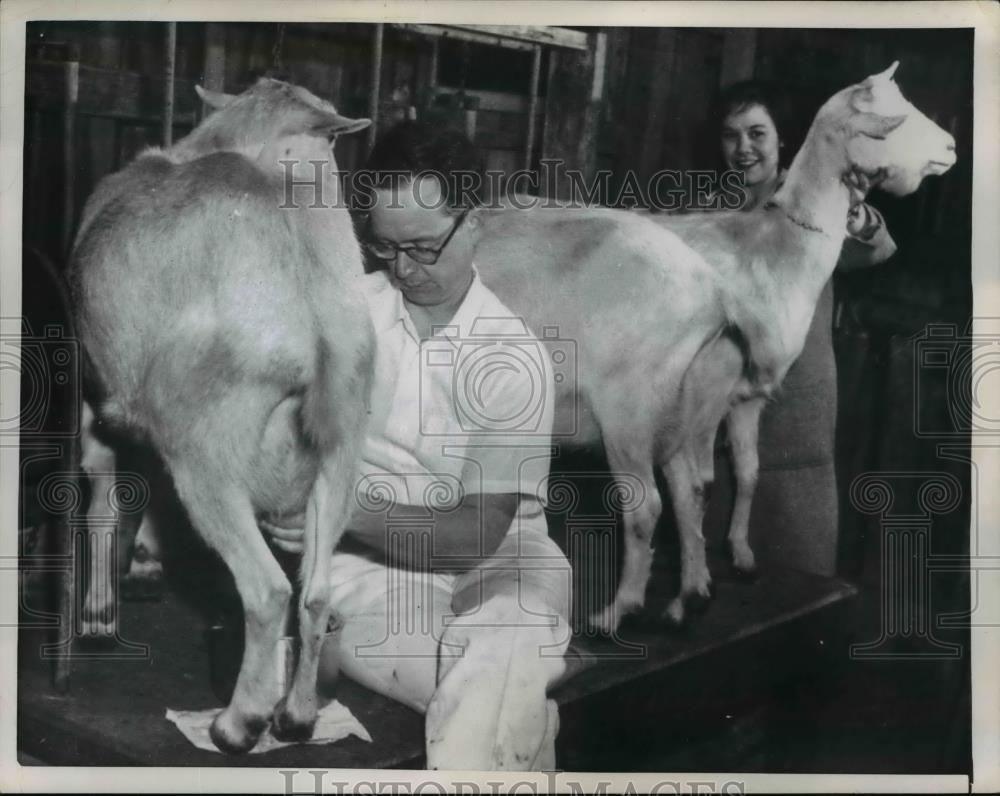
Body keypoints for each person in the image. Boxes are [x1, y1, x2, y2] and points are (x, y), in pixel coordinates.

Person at [262, 121, 572, 770]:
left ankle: (331, 657)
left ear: (476, 222)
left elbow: (475, 535)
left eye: (425, 247)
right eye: (384, 248)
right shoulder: (345, 314)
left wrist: (339, 508)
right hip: (362, 568)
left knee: (502, 639)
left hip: (499, 557)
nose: (403, 269)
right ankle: (521, 685)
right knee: (502, 700)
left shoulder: (514, 357)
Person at [703, 80, 897, 576]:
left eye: (756, 133)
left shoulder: (820, 197)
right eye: (731, 136)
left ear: (781, 139)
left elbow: (877, 249)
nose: (743, 148)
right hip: (723, 414)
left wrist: (854, 210)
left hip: (798, 411)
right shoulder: (709, 212)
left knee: (800, 578)